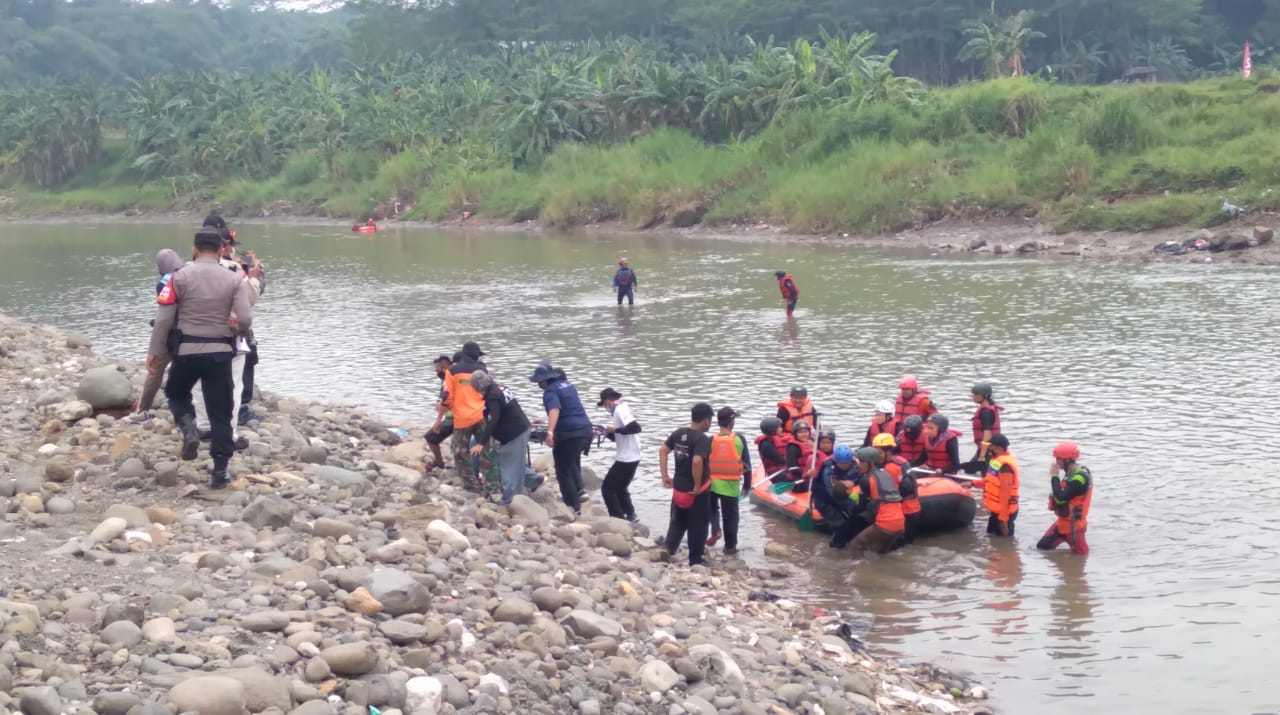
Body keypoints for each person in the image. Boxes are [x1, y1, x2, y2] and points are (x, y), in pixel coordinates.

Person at [148, 228, 253, 488]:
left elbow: (163, 319)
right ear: (220, 251)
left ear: (195, 250)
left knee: (176, 392)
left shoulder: (178, 277)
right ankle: (219, 472)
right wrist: (238, 331)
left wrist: (157, 351)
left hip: (186, 353)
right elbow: (246, 318)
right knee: (221, 412)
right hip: (219, 355)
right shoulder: (234, 279)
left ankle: (189, 427)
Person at [469, 370, 542, 505]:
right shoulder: (500, 387)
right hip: (521, 426)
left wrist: (481, 442)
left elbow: (494, 419)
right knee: (515, 461)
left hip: (514, 433)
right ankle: (533, 479)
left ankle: (510, 500)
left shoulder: (492, 396)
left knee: (508, 465)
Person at [530, 362, 593, 512]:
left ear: (545, 380)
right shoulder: (568, 386)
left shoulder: (550, 392)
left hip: (568, 433)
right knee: (572, 460)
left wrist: (550, 432)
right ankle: (579, 491)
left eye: (539, 381)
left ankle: (573, 507)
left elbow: (555, 410)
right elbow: (569, 410)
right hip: (585, 429)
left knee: (562, 470)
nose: (538, 384)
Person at [659, 403, 714, 567]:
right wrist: (697, 485)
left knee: (678, 520)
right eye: (710, 420)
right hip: (696, 491)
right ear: (705, 420)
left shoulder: (678, 433)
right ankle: (695, 558)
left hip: (679, 487)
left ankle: (668, 548)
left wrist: (665, 476)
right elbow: (697, 461)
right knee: (699, 524)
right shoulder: (702, 439)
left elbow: (663, 450)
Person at [135, 249, 185, 415]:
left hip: (173, 334)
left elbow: (167, 314)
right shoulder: (189, 275)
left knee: (155, 370)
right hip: (194, 331)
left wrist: (153, 348)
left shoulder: (164, 283)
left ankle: (143, 409)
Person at [444, 342, 490, 489]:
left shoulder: (452, 371)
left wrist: (445, 411)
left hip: (462, 419)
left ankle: (471, 485)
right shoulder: (482, 369)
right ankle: (492, 486)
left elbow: (448, 396)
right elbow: (488, 390)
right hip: (481, 415)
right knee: (487, 451)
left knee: (460, 452)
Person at [705, 407, 751, 555]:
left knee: (712, 509)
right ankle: (730, 547)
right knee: (731, 517)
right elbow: (747, 464)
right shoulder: (739, 439)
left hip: (712, 484)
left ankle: (716, 529)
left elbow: (704, 461)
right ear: (731, 422)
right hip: (731, 485)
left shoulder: (711, 439)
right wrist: (747, 485)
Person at [845, 447, 905, 557]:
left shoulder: (866, 480)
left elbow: (862, 506)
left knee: (855, 545)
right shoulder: (886, 474)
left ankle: (859, 573)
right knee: (882, 552)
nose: (858, 465)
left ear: (871, 463)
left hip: (885, 522)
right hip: (900, 521)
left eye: (862, 462)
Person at [1038, 442, 1092, 554]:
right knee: (1042, 547)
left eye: (1058, 459)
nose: (1056, 462)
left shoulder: (1079, 478)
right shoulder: (1071, 473)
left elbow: (1060, 498)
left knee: (1081, 557)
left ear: (1067, 460)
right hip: (1062, 523)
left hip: (1074, 527)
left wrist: (1054, 476)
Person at [598, 388, 642, 521]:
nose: (606, 408)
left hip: (626, 458)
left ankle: (617, 518)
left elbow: (635, 428)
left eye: (605, 405)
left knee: (607, 489)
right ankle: (630, 514)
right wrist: (609, 434)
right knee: (621, 487)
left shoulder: (620, 410)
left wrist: (615, 429)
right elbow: (623, 434)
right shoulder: (621, 408)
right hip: (634, 456)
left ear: (608, 402)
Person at [875, 433, 921, 544]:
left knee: (898, 545)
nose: (877, 456)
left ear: (889, 452)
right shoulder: (900, 460)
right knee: (908, 543)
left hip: (905, 510)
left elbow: (890, 494)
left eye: (879, 452)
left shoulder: (890, 468)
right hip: (914, 507)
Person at [976, 434, 1019, 537]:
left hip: (1004, 512)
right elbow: (990, 480)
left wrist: (1003, 519)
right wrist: (973, 483)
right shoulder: (997, 460)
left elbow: (1005, 493)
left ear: (999, 448)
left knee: (1003, 544)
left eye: (991, 447)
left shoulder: (1005, 466)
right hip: (996, 510)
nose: (989, 450)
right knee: (991, 536)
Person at [812, 444, 859, 532]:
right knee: (840, 524)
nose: (845, 465)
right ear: (836, 461)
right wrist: (843, 485)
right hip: (825, 500)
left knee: (858, 508)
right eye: (842, 463)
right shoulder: (828, 470)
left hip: (845, 493)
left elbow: (858, 479)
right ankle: (837, 542)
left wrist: (853, 486)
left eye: (847, 462)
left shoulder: (854, 464)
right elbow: (833, 493)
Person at [425, 354, 456, 470]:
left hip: (455, 417)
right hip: (463, 415)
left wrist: (438, 420)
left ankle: (440, 463)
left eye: (437, 369)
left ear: (444, 368)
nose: (436, 372)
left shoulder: (448, 381)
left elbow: (446, 402)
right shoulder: (449, 379)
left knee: (431, 437)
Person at [968, 382, 1002, 472]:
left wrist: (982, 456)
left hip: (988, 451)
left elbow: (987, 436)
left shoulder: (986, 412)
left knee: (973, 472)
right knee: (969, 471)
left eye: (976, 394)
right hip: (988, 450)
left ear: (985, 396)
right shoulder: (987, 409)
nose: (974, 396)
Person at [783, 419, 819, 493]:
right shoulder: (793, 447)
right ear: (795, 434)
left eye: (806, 432)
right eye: (800, 432)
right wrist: (807, 475)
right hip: (800, 477)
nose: (804, 434)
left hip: (814, 474)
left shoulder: (813, 442)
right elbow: (793, 469)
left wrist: (816, 447)